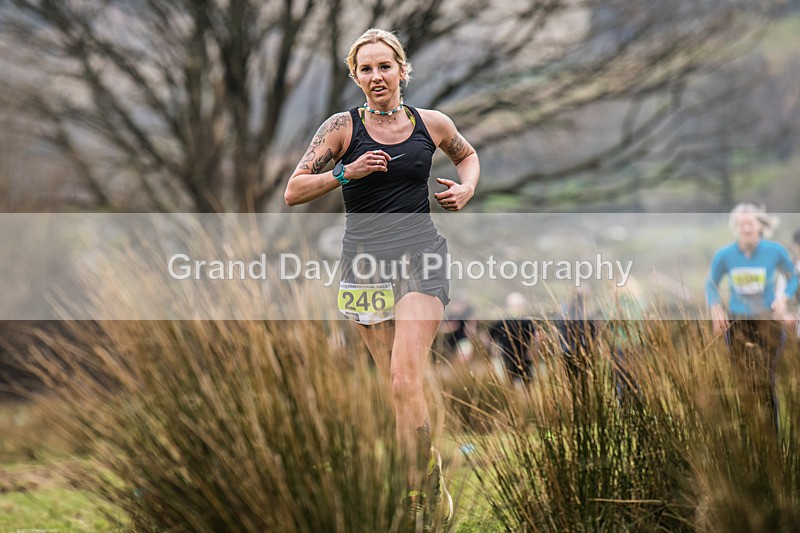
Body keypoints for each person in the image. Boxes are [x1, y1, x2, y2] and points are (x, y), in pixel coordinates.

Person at [284, 28, 479, 528]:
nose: (376, 76)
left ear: (401, 70)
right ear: (355, 76)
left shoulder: (431, 124)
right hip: (365, 266)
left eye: (384, 66)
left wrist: (466, 190)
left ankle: (423, 494)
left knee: (402, 374)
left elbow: (467, 155)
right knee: (395, 390)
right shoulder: (340, 129)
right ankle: (419, 474)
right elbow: (294, 190)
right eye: (365, 69)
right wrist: (346, 174)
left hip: (421, 257)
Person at [705, 204, 798, 431]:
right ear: (736, 227)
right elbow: (711, 284)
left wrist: (784, 297)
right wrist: (715, 309)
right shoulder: (725, 255)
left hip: (767, 323)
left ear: (760, 226)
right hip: (738, 323)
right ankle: (750, 436)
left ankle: (770, 438)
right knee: (744, 382)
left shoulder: (774, 251)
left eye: (750, 223)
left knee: (765, 379)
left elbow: (793, 277)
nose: (746, 228)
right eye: (742, 224)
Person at [488, 292, 538, 385]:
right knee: (511, 388)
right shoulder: (502, 323)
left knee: (525, 387)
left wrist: (532, 351)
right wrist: (494, 352)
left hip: (525, 362)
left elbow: (536, 338)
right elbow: (488, 337)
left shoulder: (527, 322)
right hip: (507, 362)